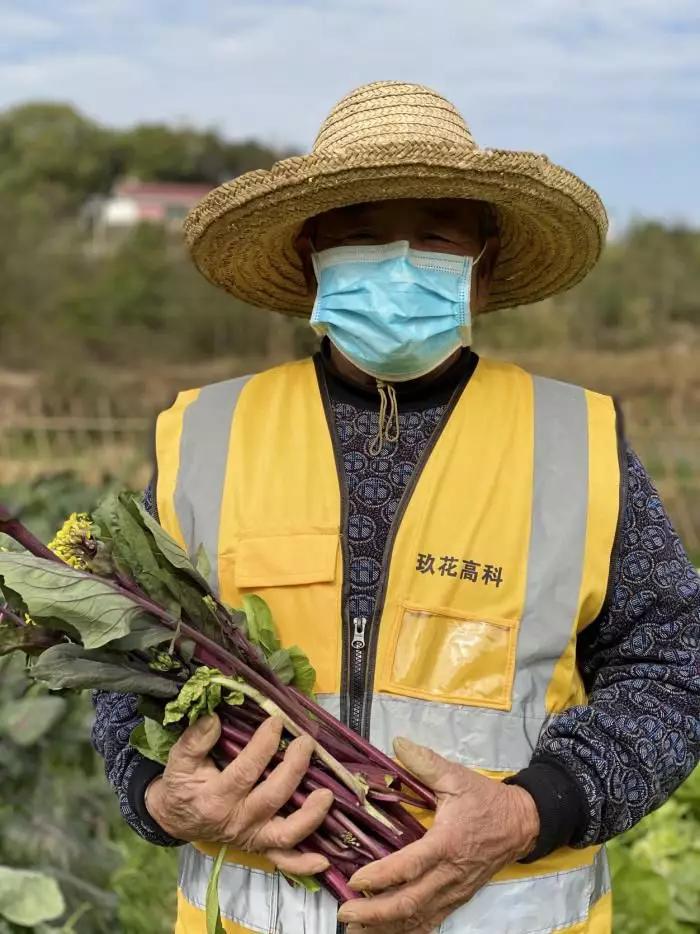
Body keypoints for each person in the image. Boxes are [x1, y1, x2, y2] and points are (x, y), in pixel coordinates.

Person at [92, 81, 700, 934]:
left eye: (436, 236)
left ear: (482, 271)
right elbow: (131, 664)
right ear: (311, 258)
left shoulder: (577, 438)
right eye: (363, 236)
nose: (399, 262)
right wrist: (159, 796)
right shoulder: (203, 435)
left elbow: (676, 663)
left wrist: (531, 810)